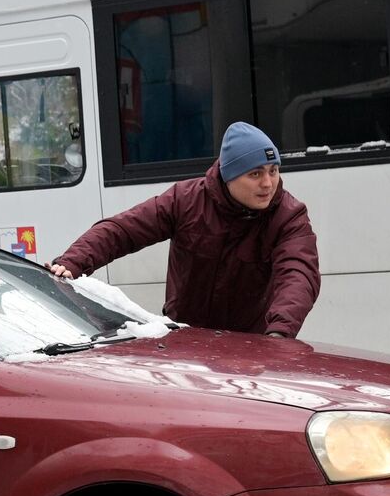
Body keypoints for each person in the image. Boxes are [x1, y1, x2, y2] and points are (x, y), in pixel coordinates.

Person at [48, 121, 321, 338]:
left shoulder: (289, 215)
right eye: (255, 173)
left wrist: (279, 334)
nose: (268, 183)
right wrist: (73, 262)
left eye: (273, 171)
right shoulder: (186, 200)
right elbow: (123, 230)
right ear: (229, 175)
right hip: (184, 341)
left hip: (250, 344)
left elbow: (298, 275)